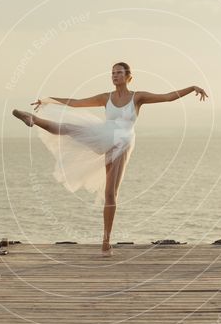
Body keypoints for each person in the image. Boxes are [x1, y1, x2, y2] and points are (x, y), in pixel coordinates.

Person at [12, 62, 208, 257]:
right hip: (105, 136)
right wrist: (49, 99)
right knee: (71, 130)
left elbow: (167, 97)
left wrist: (192, 88)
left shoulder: (137, 97)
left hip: (122, 141)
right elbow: (76, 102)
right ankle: (33, 119)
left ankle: (106, 241)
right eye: (112, 73)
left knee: (109, 193)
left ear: (128, 76)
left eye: (119, 73)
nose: (115, 76)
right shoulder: (106, 98)